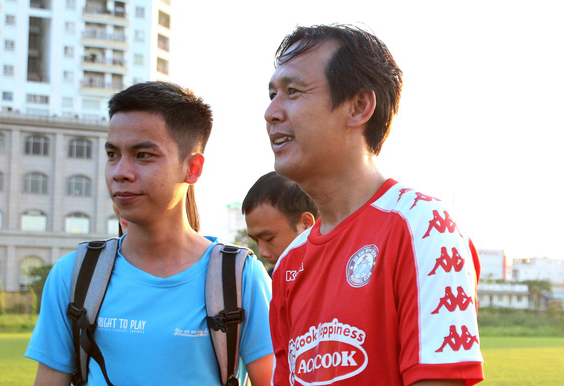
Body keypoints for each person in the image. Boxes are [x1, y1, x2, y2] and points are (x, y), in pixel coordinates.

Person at [265, 25, 484, 385]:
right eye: (272, 94)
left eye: (293, 91)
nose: (271, 112)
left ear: (359, 106)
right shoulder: (290, 263)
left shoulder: (424, 227)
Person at [25, 81, 274, 385]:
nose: (120, 171)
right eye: (113, 154)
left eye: (143, 155)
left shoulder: (238, 277)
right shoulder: (75, 275)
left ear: (192, 168)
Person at [242, 171, 318, 276]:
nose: (262, 252)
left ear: (305, 224)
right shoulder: (270, 283)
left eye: (269, 238)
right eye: (256, 241)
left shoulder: (342, 274)